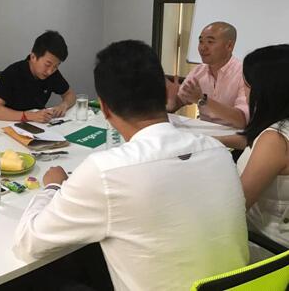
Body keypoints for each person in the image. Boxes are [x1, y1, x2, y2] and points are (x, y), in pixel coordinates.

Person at [14, 40, 248, 290]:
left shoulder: (106, 171)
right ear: (165, 94)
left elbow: (28, 244)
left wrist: (52, 188)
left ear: (104, 108)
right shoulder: (219, 153)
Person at [216, 44, 289, 249]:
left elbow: (236, 207)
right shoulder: (277, 131)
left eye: (247, 86)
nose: (245, 92)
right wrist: (215, 140)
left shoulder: (275, 140)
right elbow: (252, 140)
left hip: (267, 244)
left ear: (266, 91)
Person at [166, 21, 249, 128]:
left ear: (229, 46)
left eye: (210, 42)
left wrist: (203, 100)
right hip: (204, 131)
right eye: (201, 41)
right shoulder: (199, 71)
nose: (203, 47)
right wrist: (172, 100)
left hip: (234, 134)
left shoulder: (244, 74)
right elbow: (178, 103)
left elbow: (242, 120)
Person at [0, 31, 76, 123]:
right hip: (9, 125)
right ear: (33, 57)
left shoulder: (52, 73)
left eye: (56, 66)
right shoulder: (12, 73)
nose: (50, 71)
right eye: (47, 64)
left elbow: (70, 94)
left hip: (37, 125)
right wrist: (30, 116)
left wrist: (64, 105)